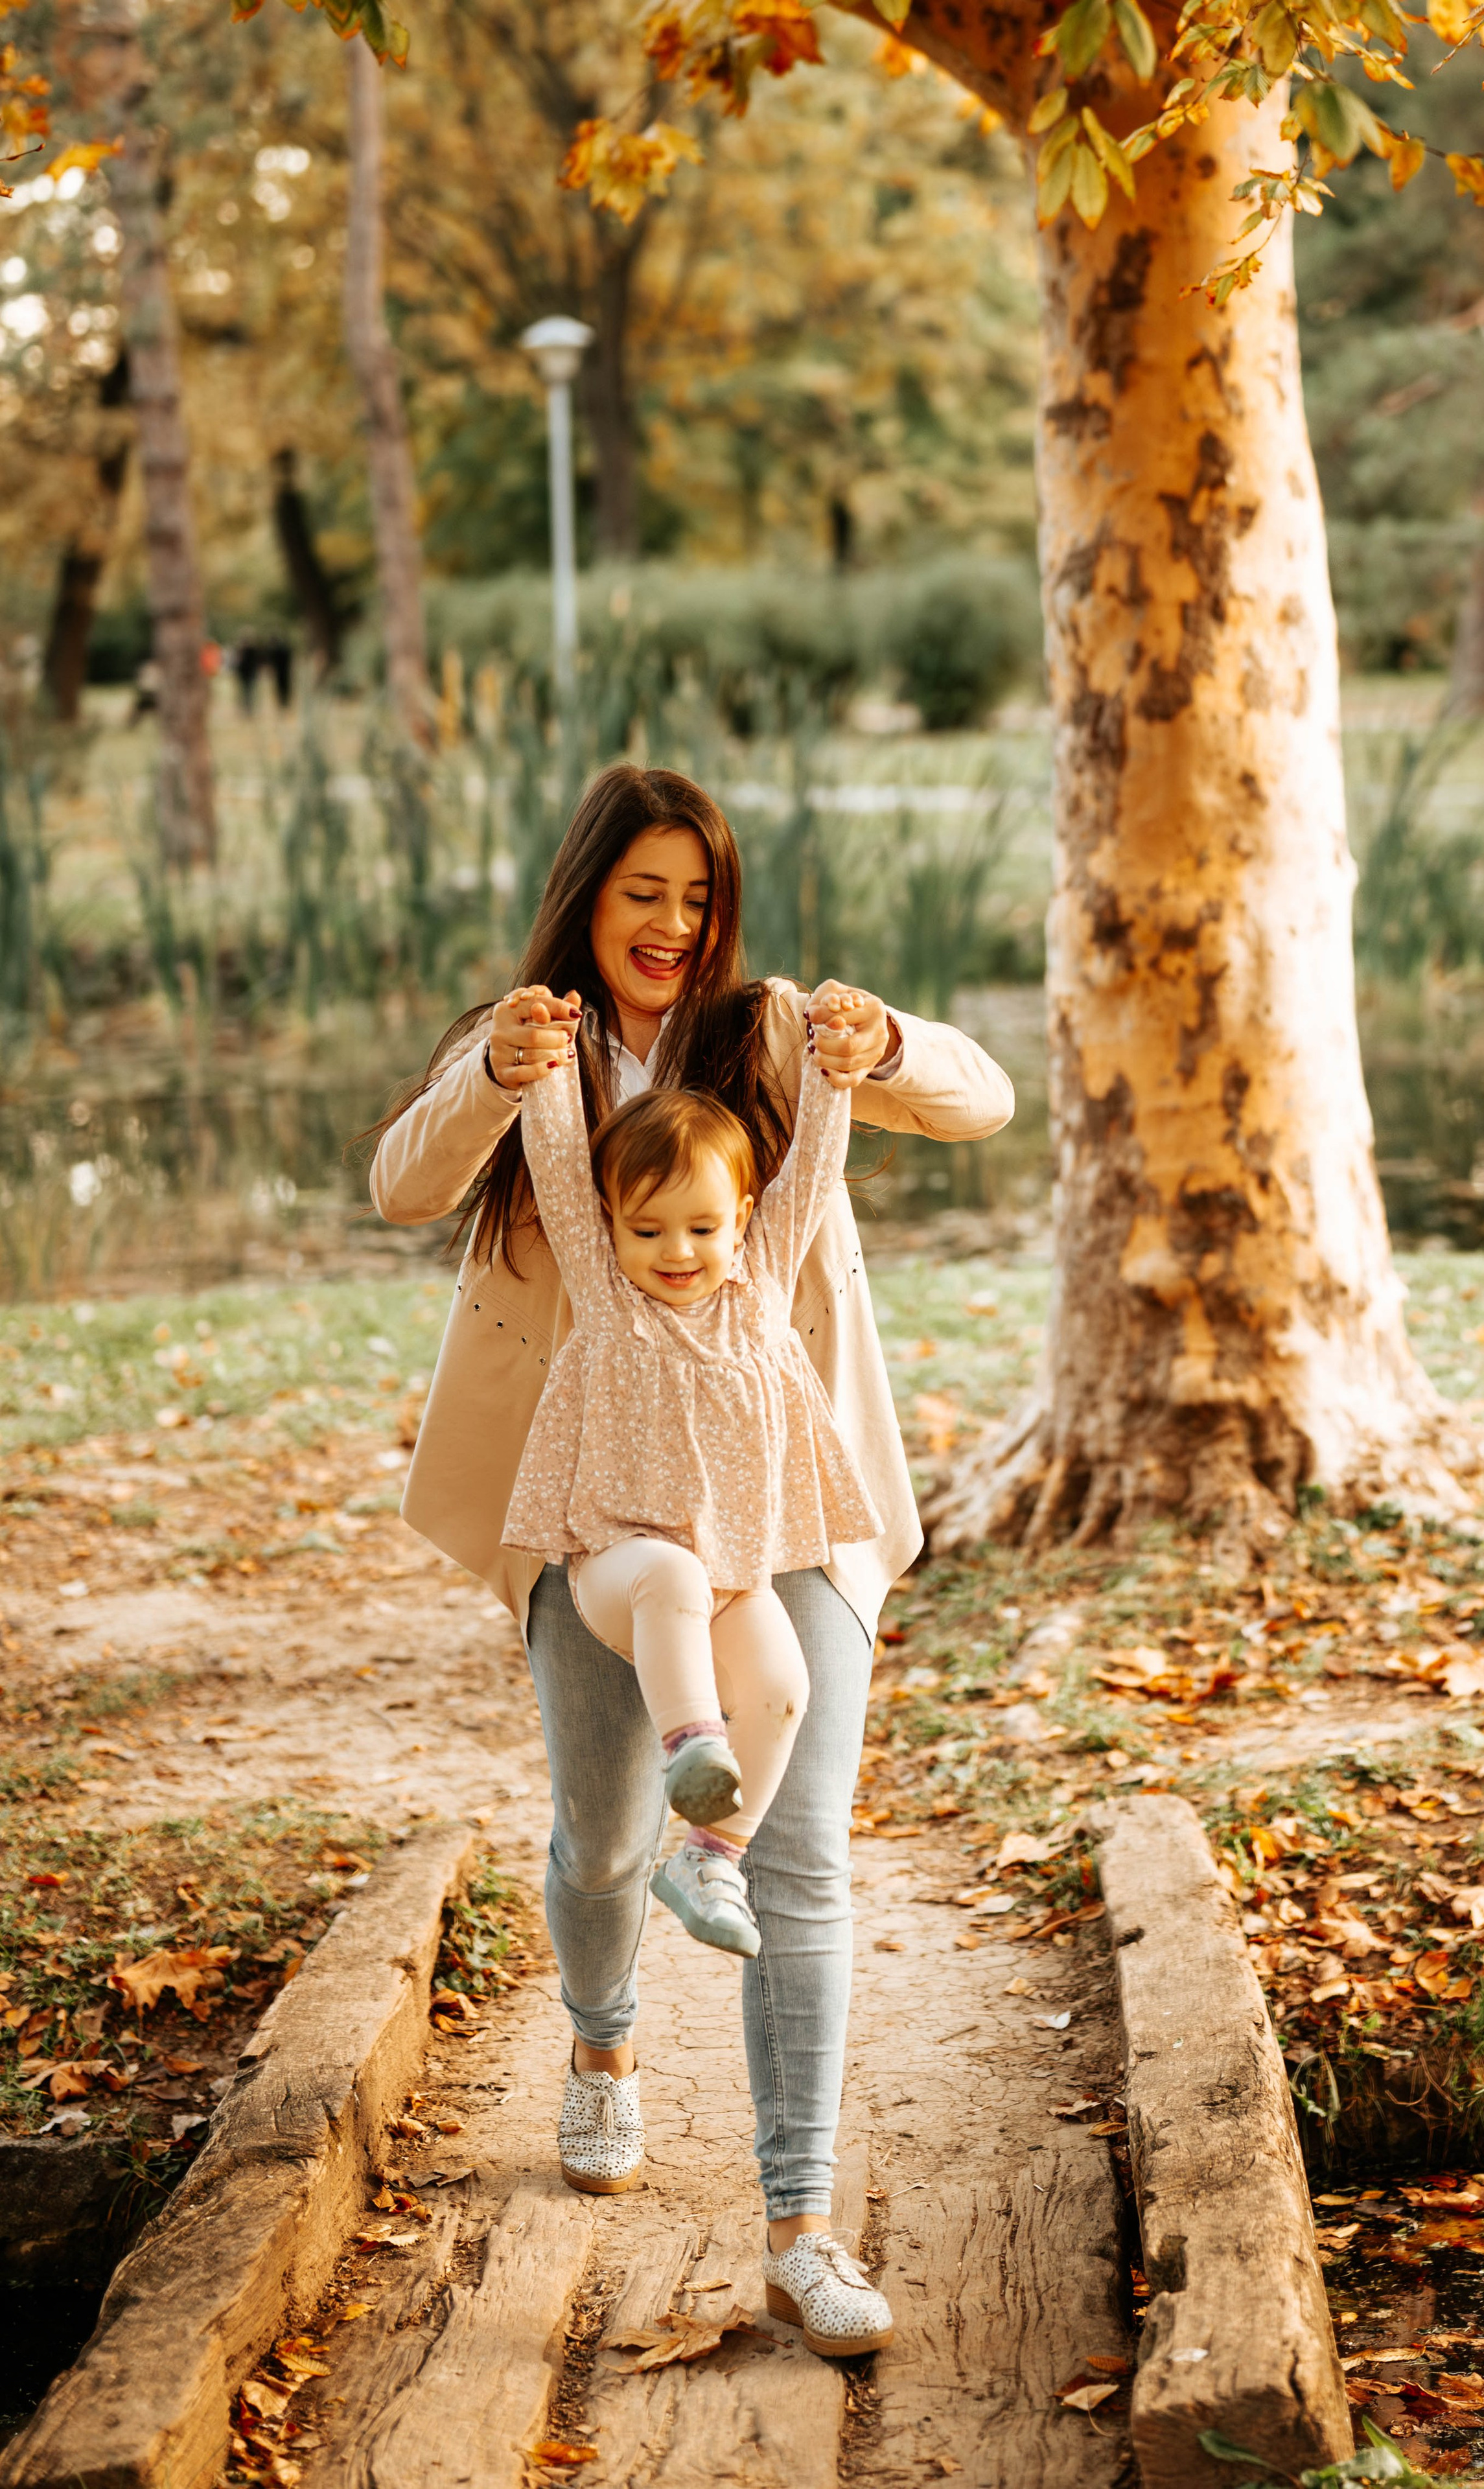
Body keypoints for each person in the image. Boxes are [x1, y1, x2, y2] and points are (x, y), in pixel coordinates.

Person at [369, 762, 1014, 2362]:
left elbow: (983, 1098)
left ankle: (802, 2226)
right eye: (641, 891)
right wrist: (490, 1076)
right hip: (596, 1504)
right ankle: (602, 2046)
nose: (670, 923)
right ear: (587, 896)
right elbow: (401, 1185)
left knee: (795, 1853)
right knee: (602, 1840)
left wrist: (887, 1044)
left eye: (697, 895)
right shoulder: (526, 1041)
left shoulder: (774, 1033)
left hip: (789, 1491)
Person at [504, 988, 881, 1962]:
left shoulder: (761, 1285)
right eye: (649, 1230)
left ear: (742, 1219)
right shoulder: (608, 1294)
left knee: (785, 1686)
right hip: (620, 1566)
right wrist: (548, 1063)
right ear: (611, 1226)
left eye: (702, 1229)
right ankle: (691, 1746)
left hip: (733, 1574)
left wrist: (833, 1069)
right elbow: (558, 1163)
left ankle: (711, 1857)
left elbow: (812, 1167)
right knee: (668, 1575)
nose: (676, 1252)